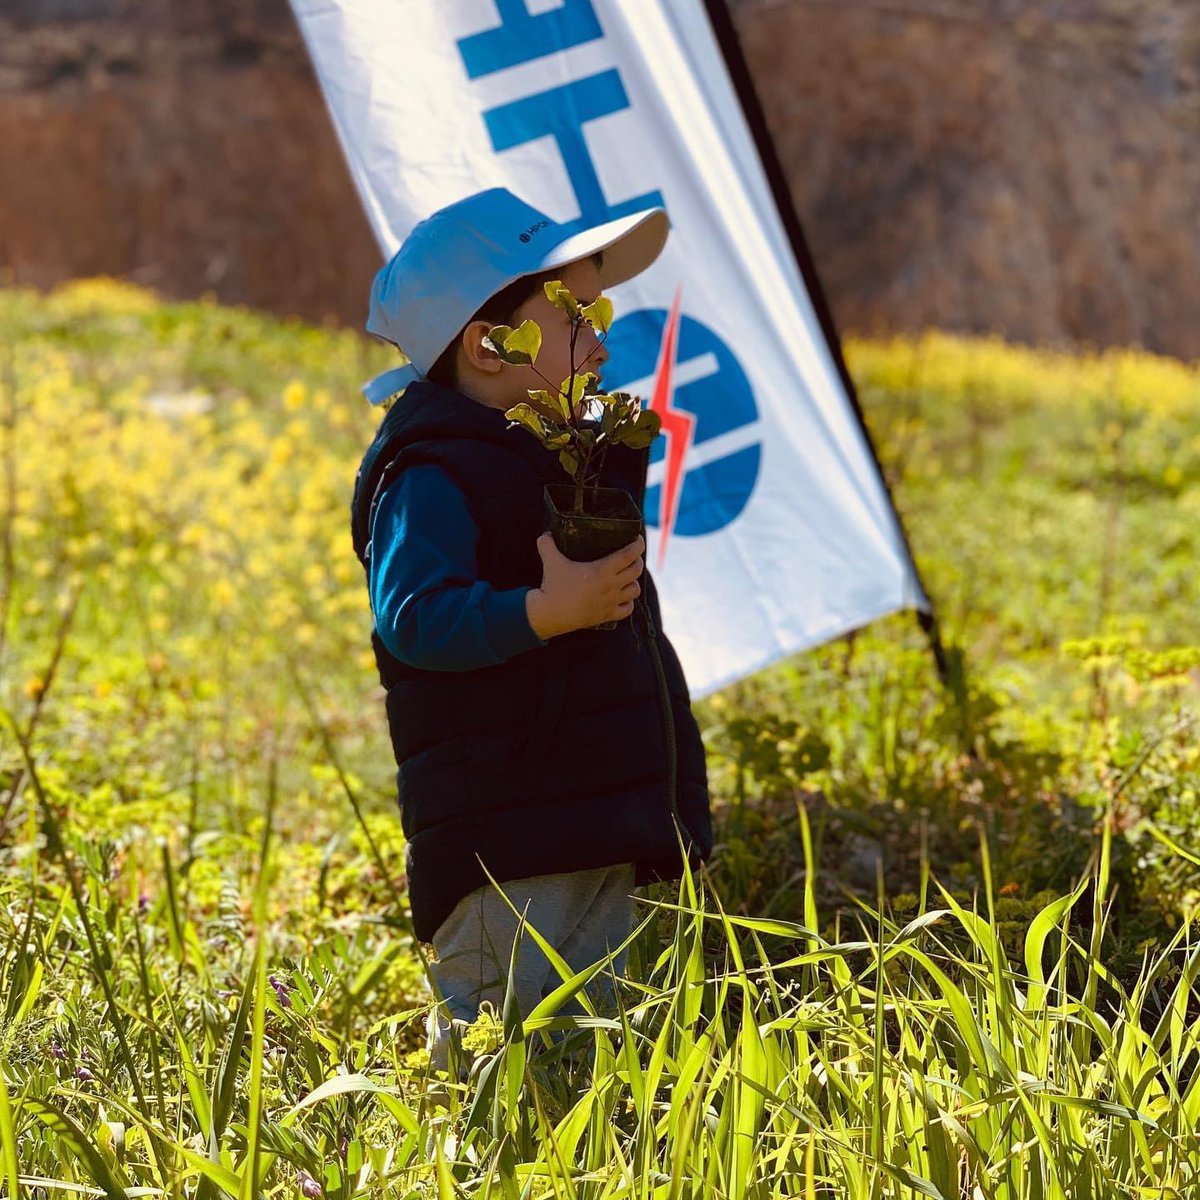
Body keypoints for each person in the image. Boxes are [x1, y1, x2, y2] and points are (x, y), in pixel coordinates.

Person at [348, 187, 712, 1083]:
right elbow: (414, 617)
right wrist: (544, 612)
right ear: (487, 347)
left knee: (596, 1052)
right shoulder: (431, 474)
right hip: (506, 838)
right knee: (499, 1053)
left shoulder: (551, 455)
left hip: (589, 819)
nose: (601, 339)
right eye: (578, 316)